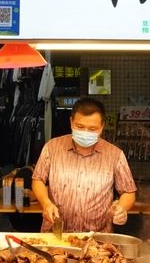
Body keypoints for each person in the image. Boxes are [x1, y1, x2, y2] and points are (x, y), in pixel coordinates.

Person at [31, 97, 136, 233]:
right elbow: (38, 179)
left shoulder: (115, 155)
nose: (85, 132)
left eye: (92, 129)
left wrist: (121, 208)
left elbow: (128, 191)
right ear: (71, 122)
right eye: (80, 127)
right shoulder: (52, 147)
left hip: (98, 240)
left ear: (102, 127)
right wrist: (46, 203)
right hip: (55, 235)